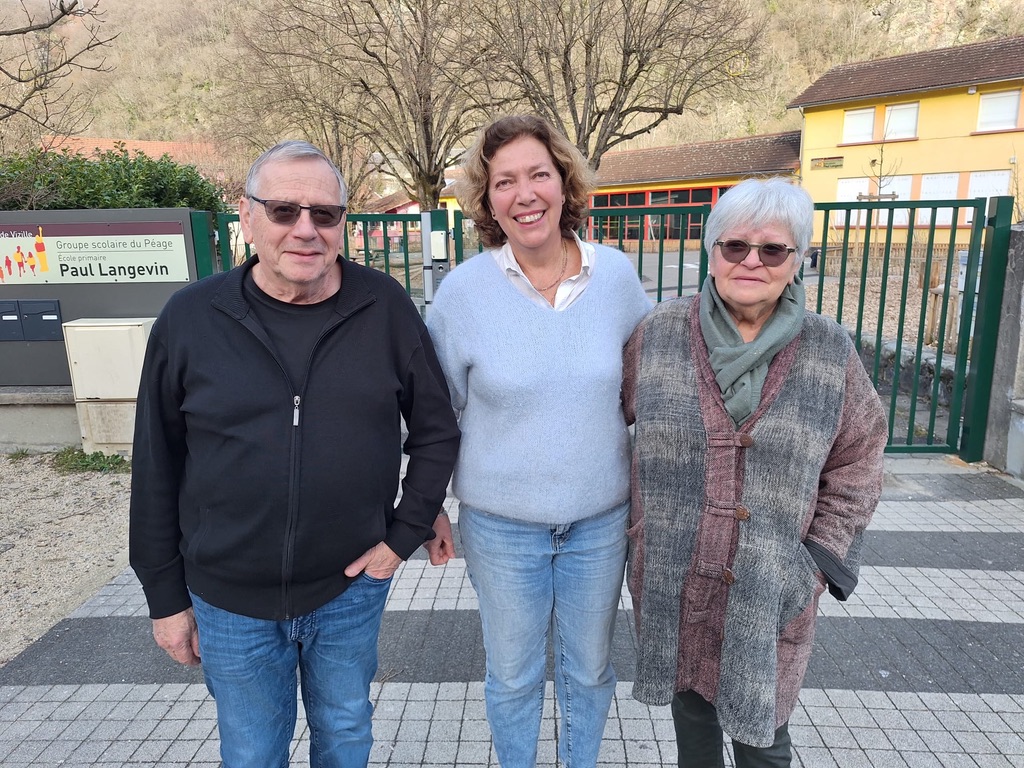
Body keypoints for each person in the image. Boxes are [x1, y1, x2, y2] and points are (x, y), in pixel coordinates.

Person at [129, 140, 460, 768]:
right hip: (228, 600)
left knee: (345, 736)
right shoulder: (191, 318)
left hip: (349, 589)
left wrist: (402, 534)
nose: (305, 229)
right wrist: (165, 598)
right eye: (283, 211)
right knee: (252, 753)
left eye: (324, 214)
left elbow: (437, 429)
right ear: (247, 217)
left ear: (343, 224)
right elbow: (155, 466)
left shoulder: (383, 306)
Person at [623, 177, 887, 768]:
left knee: (762, 731)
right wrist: (633, 530)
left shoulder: (828, 351)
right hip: (675, 575)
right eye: (734, 246)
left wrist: (818, 560)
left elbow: (860, 457)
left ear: (797, 262)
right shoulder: (659, 333)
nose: (751, 262)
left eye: (773, 250)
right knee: (691, 716)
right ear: (711, 252)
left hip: (772, 580)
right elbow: (603, 425)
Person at [425, 114, 652, 767]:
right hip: (502, 529)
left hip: (599, 521)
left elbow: (646, 387)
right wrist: (428, 506)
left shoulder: (615, 277)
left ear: (563, 182)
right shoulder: (463, 294)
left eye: (537, 175)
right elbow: (436, 411)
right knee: (515, 675)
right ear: (489, 199)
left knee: (589, 671)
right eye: (504, 182)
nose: (524, 194)